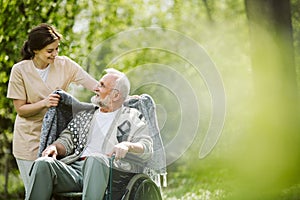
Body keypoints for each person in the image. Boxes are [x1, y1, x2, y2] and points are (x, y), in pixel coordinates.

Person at [25, 68, 153, 200]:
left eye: (102, 85)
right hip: (75, 170)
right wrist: (55, 147)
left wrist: (128, 146)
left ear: (116, 95)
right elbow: (67, 139)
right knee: (43, 163)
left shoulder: (132, 117)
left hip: (110, 172)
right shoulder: (86, 115)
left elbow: (147, 147)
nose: (96, 88)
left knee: (95, 159)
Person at [6, 23, 98, 194]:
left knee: (53, 193)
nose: (55, 54)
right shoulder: (19, 70)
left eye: (57, 49)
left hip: (56, 141)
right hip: (28, 140)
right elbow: (20, 109)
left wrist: (122, 94)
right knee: (34, 192)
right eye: (50, 51)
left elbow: (95, 86)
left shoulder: (65, 65)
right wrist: (45, 103)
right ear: (35, 50)